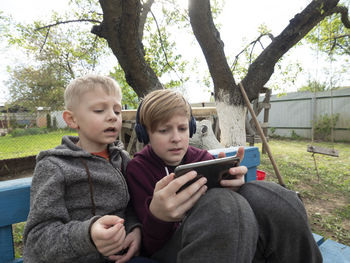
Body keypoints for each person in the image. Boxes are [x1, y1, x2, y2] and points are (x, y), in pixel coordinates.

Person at [126, 89, 323, 263]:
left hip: (224, 242)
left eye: (183, 128)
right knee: (222, 203)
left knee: (267, 194)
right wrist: (158, 217)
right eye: (163, 130)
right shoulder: (138, 170)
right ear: (145, 134)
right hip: (171, 249)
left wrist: (237, 186)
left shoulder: (200, 158)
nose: (176, 138)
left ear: (191, 127)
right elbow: (150, 247)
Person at [23, 74, 157, 263]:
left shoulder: (121, 159)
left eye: (117, 111)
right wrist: (88, 235)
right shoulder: (55, 166)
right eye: (99, 110)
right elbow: (38, 239)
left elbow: (131, 207)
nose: (112, 117)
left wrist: (135, 229)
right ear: (72, 119)